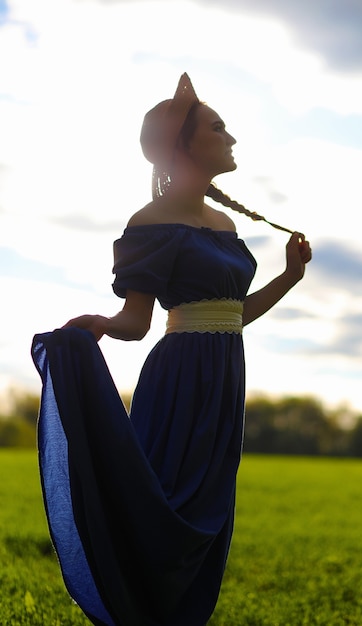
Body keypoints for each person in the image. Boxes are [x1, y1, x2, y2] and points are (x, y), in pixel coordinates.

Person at [32, 73, 311, 626]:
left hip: (226, 380)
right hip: (179, 378)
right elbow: (139, 323)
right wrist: (103, 325)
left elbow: (232, 317)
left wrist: (290, 278)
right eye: (217, 127)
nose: (230, 137)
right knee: (161, 512)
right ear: (181, 145)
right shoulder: (150, 222)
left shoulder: (225, 223)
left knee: (206, 514)